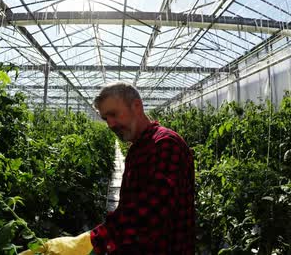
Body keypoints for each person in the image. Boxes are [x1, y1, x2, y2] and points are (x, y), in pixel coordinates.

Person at [20, 82, 195, 255]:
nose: (110, 124)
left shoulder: (165, 144)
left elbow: (151, 214)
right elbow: (131, 208)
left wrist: (95, 241)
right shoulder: (139, 147)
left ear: (137, 106)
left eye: (113, 114)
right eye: (105, 118)